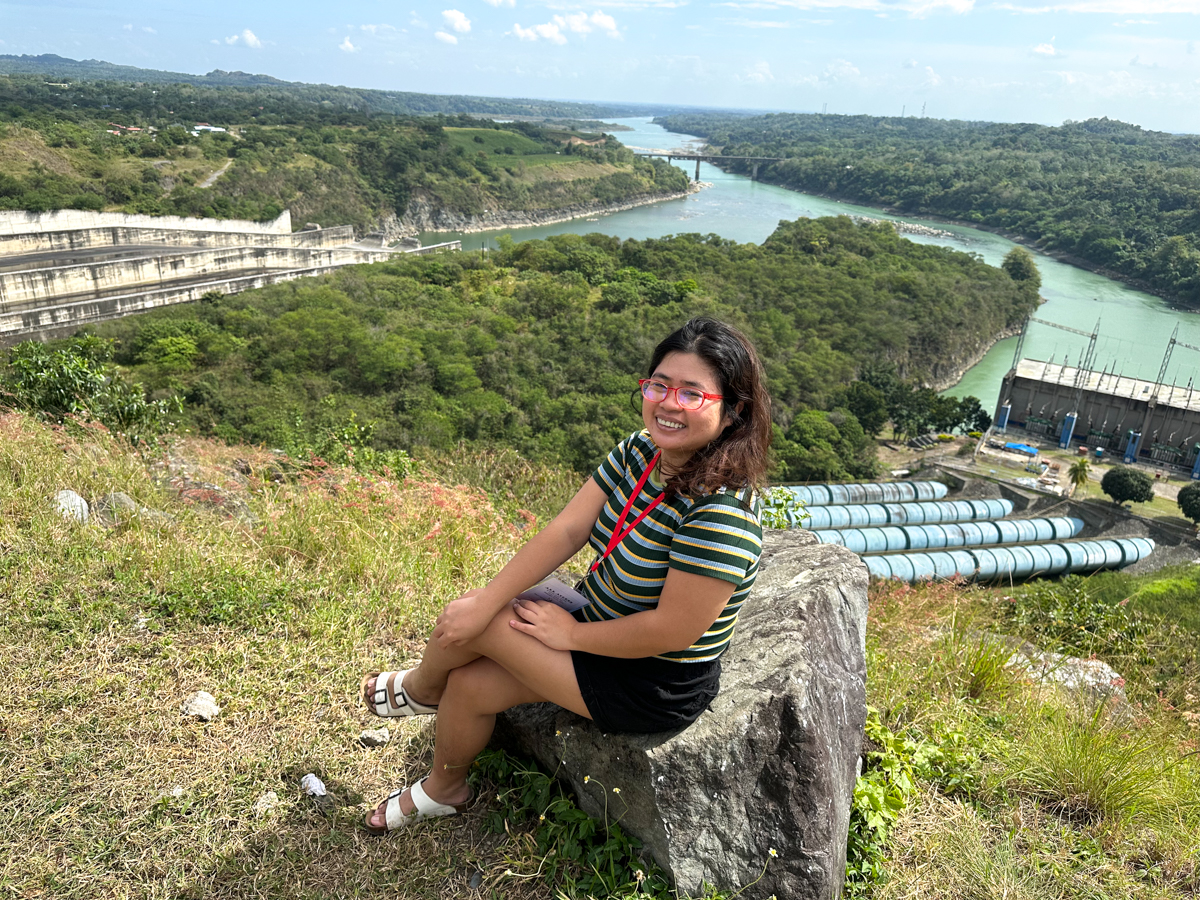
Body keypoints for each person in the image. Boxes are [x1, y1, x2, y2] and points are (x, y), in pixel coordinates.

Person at [361, 316, 773, 834]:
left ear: (735, 411)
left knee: (478, 621)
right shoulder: (642, 452)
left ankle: (421, 689)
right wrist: (492, 598)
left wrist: (569, 634)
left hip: (649, 678)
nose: (668, 403)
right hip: (597, 620)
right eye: (659, 385)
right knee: (468, 678)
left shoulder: (720, 514)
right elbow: (567, 530)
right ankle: (447, 789)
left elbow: (674, 630)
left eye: (692, 394)